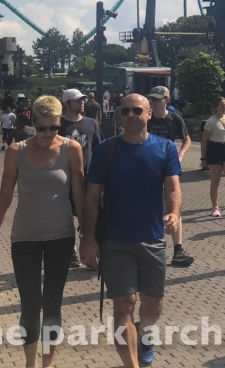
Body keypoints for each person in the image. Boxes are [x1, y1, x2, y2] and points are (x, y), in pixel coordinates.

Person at [81, 93, 183, 368]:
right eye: (124, 111)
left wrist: (174, 213)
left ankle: (145, 337)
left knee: (153, 307)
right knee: (124, 304)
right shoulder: (106, 149)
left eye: (137, 110)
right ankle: (132, 365)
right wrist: (88, 238)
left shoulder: (164, 148)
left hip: (152, 239)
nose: (130, 115)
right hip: (116, 240)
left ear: (149, 114)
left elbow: (173, 188)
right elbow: (91, 197)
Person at [0, 96, 85, 368]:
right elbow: (4, 198)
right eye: (42, 128)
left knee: (52, 304)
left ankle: (47, 363)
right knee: (30, 305)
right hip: (25, 237)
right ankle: (30, 363)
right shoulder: (16, 151)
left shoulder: (71, 148)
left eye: (54, 128)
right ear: (33, 123)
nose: (48, 134)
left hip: (61, 237)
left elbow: (79, 195)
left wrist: (88, 237)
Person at [145, 86, 194, 266]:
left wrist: (180, 156)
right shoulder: (147, 117)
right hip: (148, 165)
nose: (154, 102)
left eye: (158, 99)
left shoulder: (174, 118)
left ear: (167, 100)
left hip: (168, 166)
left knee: (173, 205)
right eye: (152, 99)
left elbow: (187, 139)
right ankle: (148, 245)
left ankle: (178, 248)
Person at [59, 88, 105, 269]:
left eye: (83, 100)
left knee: (91, 214)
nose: (82, 103)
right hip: (65, 179)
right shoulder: (59, 125)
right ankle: (72, 250)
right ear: (67, 104)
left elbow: (100, 148)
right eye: (77, 100)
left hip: (89, 178)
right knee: (67, 215)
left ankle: (93, 251)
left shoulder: (91, 124)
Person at [201, 97, 225, 218]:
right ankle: (215, 207)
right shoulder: (211, 121)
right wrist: (203, 158)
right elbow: (204, 140)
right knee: (215, 180)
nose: (224, 107)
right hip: (214, 149)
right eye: (222, 105)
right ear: (216, 107)